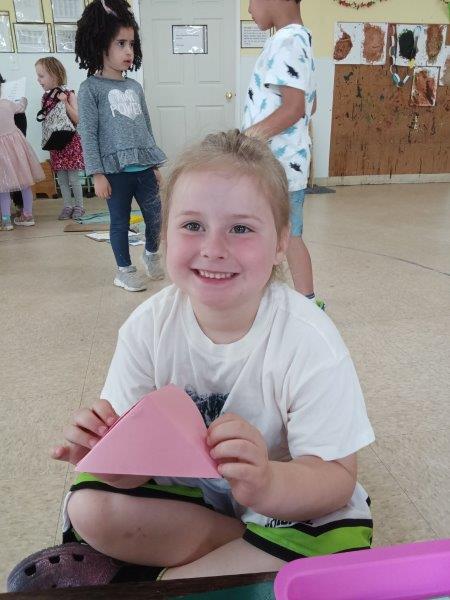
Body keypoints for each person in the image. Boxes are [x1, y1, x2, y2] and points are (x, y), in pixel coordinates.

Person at [7, 130, 375, 592]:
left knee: (339, 542)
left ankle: (167, 575)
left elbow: (336, 478)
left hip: (286, 503)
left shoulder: (309, 339)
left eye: (240, 228)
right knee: (90, 506)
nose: (213, 248)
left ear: (281, 243)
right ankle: (236, 555)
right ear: (163, 233)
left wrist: (266, 483)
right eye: (193, 225)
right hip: (186, 495)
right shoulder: (148, 327)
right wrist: (106, 455)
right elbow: (131, 470)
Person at [75, 0, 167, 292]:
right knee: (119, 222)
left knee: (156, 217)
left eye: (132, 44)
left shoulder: (135, 87)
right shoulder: (90, 89)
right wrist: (97, 174)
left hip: (144, 169)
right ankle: (124, 270)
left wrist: (154, 164)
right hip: (114, 173)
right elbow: (88, 134)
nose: (129, 51)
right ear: (101, 44)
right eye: (121, 44)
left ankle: (151, 253)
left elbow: (145, 128)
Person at [242, 0, 323, 308]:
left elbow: (294, 108)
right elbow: (311, 104)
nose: (249, 9)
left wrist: (247, 138)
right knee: (285, 236)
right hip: (284, 164)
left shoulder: (287, 40)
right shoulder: (299, 38)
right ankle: (303, 302)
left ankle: (307, 306)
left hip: (279, 168)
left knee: (283, 237)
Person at [35, 57, 85, 221]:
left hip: (69, 142)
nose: (38, 80)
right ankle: (67, 206)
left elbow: (77, 119)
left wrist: (65, 103)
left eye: (41, 76)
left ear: (54, 74)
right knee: (61, 179)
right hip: (56, 143)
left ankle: (79, 206)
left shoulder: (69, 94)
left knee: (74, 178)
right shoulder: (45, 98)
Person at [0, 85, 44, 230]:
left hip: (1, 153)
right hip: (16, 149)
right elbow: (21, 107)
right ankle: (27, 215)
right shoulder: (7, 103)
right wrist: (23, 99)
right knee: (25, 184)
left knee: (3, 188)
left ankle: (6, 221)